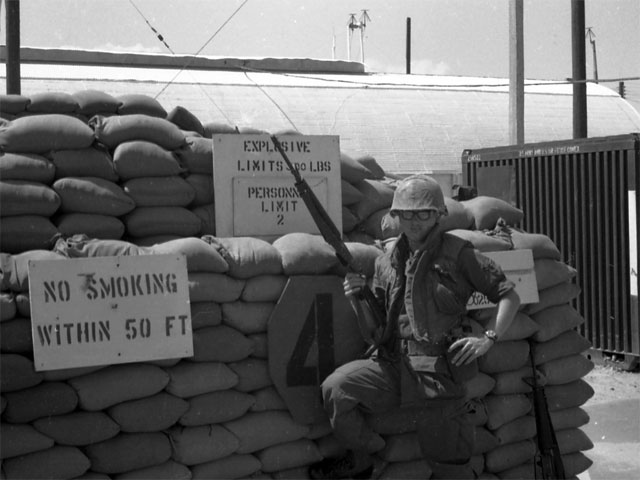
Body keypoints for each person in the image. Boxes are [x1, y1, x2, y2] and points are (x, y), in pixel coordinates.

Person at [309, 175, 521, 479]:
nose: (414, 221)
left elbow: (508, 294)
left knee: (450, 466)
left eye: (423, 213)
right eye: (406, 213)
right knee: (337, 389)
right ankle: (365, 455)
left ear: (438, 215)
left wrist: (488, 338)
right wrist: (357, 298)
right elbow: (376, 329)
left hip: (439, 377)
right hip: (394, 366)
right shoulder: (385, 263)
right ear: (396, 217)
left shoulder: (459, 253)